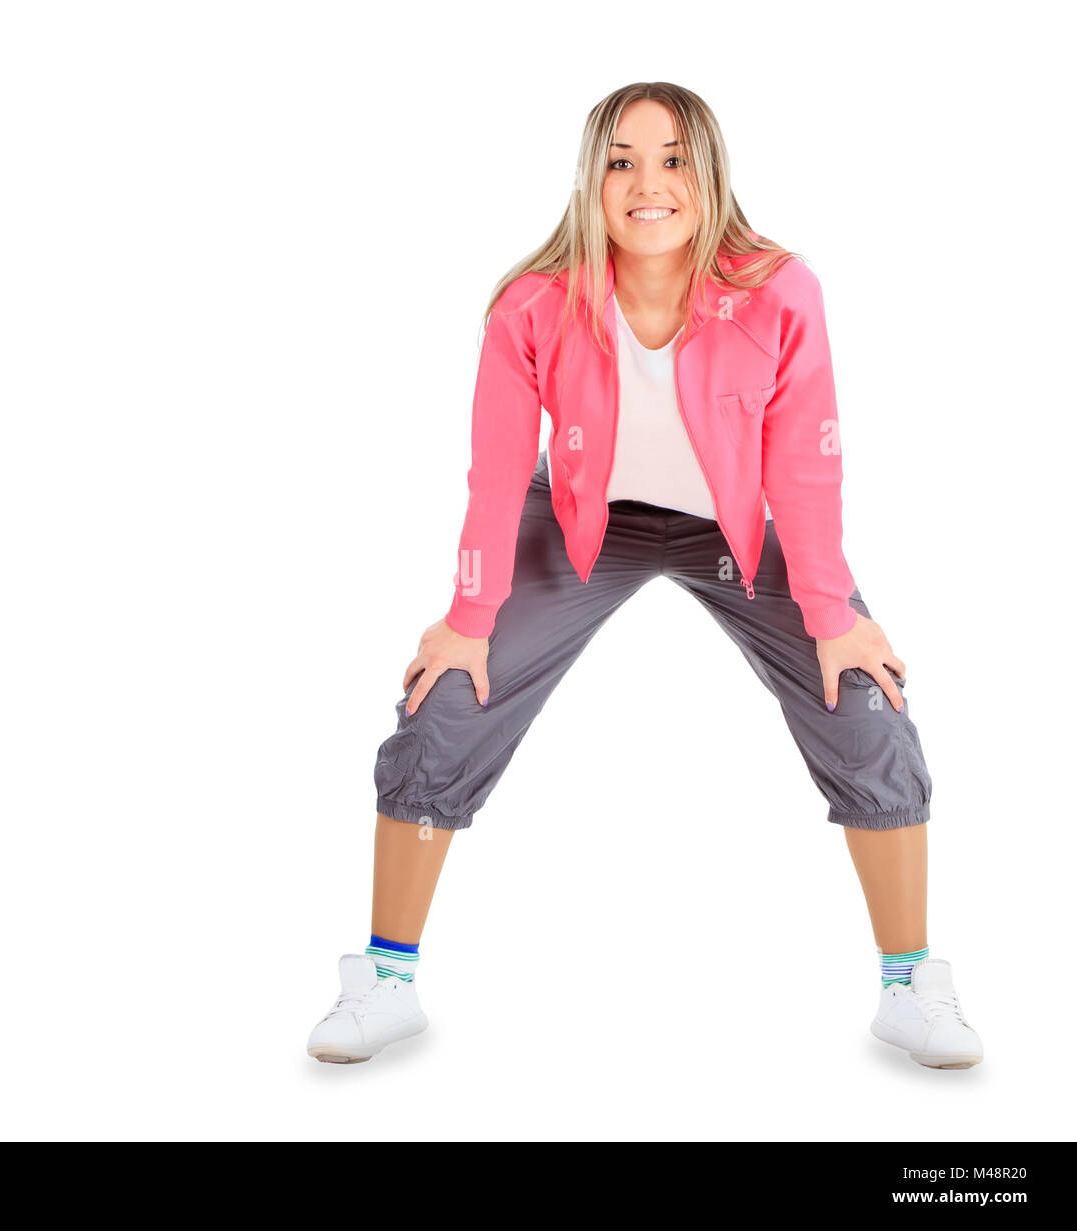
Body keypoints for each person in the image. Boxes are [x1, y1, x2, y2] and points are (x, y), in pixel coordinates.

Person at [307, 82, 982, 1070]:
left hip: (739, 527)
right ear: (593, 180)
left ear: (708, 174)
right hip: (585, 526)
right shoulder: (533, 302)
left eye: (671, 159)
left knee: (866, 704)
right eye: (621, 161)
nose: (646, 183)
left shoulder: (779, 291)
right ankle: (387, 978)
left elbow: (803, 464)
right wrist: (467, 612)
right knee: (446, 698)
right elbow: (495, 472)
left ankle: (908, 984)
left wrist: (831, 612)